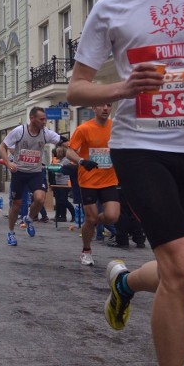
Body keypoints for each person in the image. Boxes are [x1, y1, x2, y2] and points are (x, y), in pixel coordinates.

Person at [66, 0, 184, 366]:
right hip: (140, 146)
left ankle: (124, 282)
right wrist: (125, 85)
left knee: (182, 274)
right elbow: (76, 89)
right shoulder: (110, 8)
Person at [0, 107, 63, 246]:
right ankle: (10, 232)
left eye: (45, 119)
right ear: (32, 118)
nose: (44, 122)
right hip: (19, 172)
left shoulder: (45, 133)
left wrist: (71, 145)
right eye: (41, 119)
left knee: (40, 199)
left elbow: (60, 140)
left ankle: (28, 218)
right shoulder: (19, 131)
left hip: (35, 172)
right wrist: (8, 163)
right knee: (16, 204)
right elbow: (1, 147)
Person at [65, 103, 120, 266]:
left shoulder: (116, 127)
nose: (105, 109)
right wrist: (82, 161)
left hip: (109, 179)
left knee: (112, 216)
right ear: (93, 109)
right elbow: (69, 151)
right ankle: (86, 251)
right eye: (101, 106)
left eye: (108, 105)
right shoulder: (84, 128)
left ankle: (94, 222)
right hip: (88, 180)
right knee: (90, 217)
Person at [51, 146, 76, 223]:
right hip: (58, 182)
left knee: (63, 200)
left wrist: (54, 169)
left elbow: (60, 171)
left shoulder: (65, 161)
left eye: (58, 152)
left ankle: (73, 214)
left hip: (64, 183)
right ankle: (61, 216)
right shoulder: (59, 160)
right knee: (59, 200)